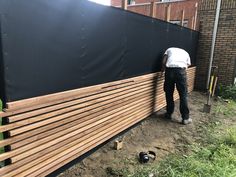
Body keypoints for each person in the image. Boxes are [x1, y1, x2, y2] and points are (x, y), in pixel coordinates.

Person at [161, 47, 192, 125]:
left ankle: (168, 114)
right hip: (181, 71)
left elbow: (164, 61)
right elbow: (187, 65)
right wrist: (182, 73)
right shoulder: (186, 52)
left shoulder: (168, 50)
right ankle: (185, 118)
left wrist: (162, 71)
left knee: (169, 93)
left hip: (169, 71)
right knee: (183, 95)